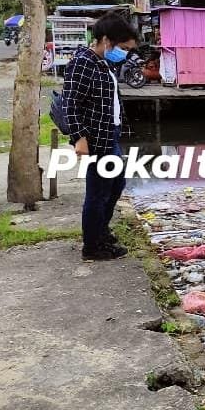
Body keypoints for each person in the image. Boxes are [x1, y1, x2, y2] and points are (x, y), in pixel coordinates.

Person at [64, 14, 139, 261]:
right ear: (106, 40)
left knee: (116, 184)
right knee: (97, 192)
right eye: (124, 48)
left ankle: (100, 232)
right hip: (96, 138)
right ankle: (93, 246)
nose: (125, 54)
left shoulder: (102, 62)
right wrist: (79, 138)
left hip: (110, 134)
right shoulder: (83, 63)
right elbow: (71, 104)